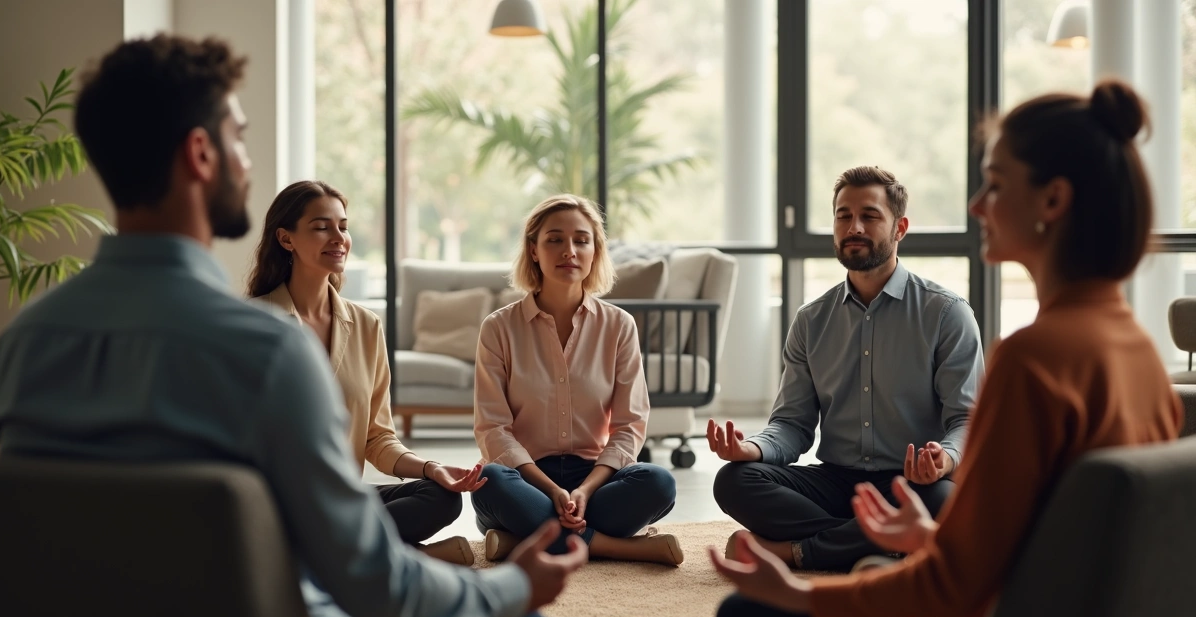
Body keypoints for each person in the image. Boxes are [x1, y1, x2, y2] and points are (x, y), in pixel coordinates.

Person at [0, 35, 585, 617]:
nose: (246, 161)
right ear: (201, 154)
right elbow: (375, 586)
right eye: (239, 138)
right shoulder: (268, 348)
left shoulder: (25, 343)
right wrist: (511, 586)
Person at [710, 79, 1183, 617]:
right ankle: (860, 539)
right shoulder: (1140, 351)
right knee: (747, 487)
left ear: (1052, 201)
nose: (976, 205)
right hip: (1055, 608)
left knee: (742, 615)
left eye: (996, 183)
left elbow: (958, 582)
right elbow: (1028, 542)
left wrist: (805, 594)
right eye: (843, 215)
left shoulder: (1032, 356)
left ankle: (810, 548)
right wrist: (929, 539)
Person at [710, 166, 985, 572]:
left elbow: (966, 419)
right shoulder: (811, 320)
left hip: (910, 485)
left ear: (900, 227)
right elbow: (792, 425)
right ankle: (886, 544)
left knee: (943, 501)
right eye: (843, 216)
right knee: (734, 481)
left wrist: (943, 458)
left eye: (870, 216)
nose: (853, 226)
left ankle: (798, 551)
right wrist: (751, 449)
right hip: (836, 481)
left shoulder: (946, 313)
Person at [249, 180, 479, 566]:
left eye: (343, 226)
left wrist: (430, 467)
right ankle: (405, 559)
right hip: (281, 501)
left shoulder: (367, 325)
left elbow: (376, 438)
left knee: (439, 497)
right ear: (286, 239)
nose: (338, 237)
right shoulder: (253, 322)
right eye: (322, 227)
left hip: (343, 501)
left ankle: (339, 553)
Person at [469, 194, 683, 566]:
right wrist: (551, 490)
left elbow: (630, 424)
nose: (569, 250)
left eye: (581, 240)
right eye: (555, 239)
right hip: (525, 481)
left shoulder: (619, 325)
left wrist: (584, 490)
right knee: (492, 482)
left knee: (658, 483)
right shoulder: (499, 327)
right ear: (534, 249)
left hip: (594, 477)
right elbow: (493, 429)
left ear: (594, 251)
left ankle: (521, 542)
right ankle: (610, 547)